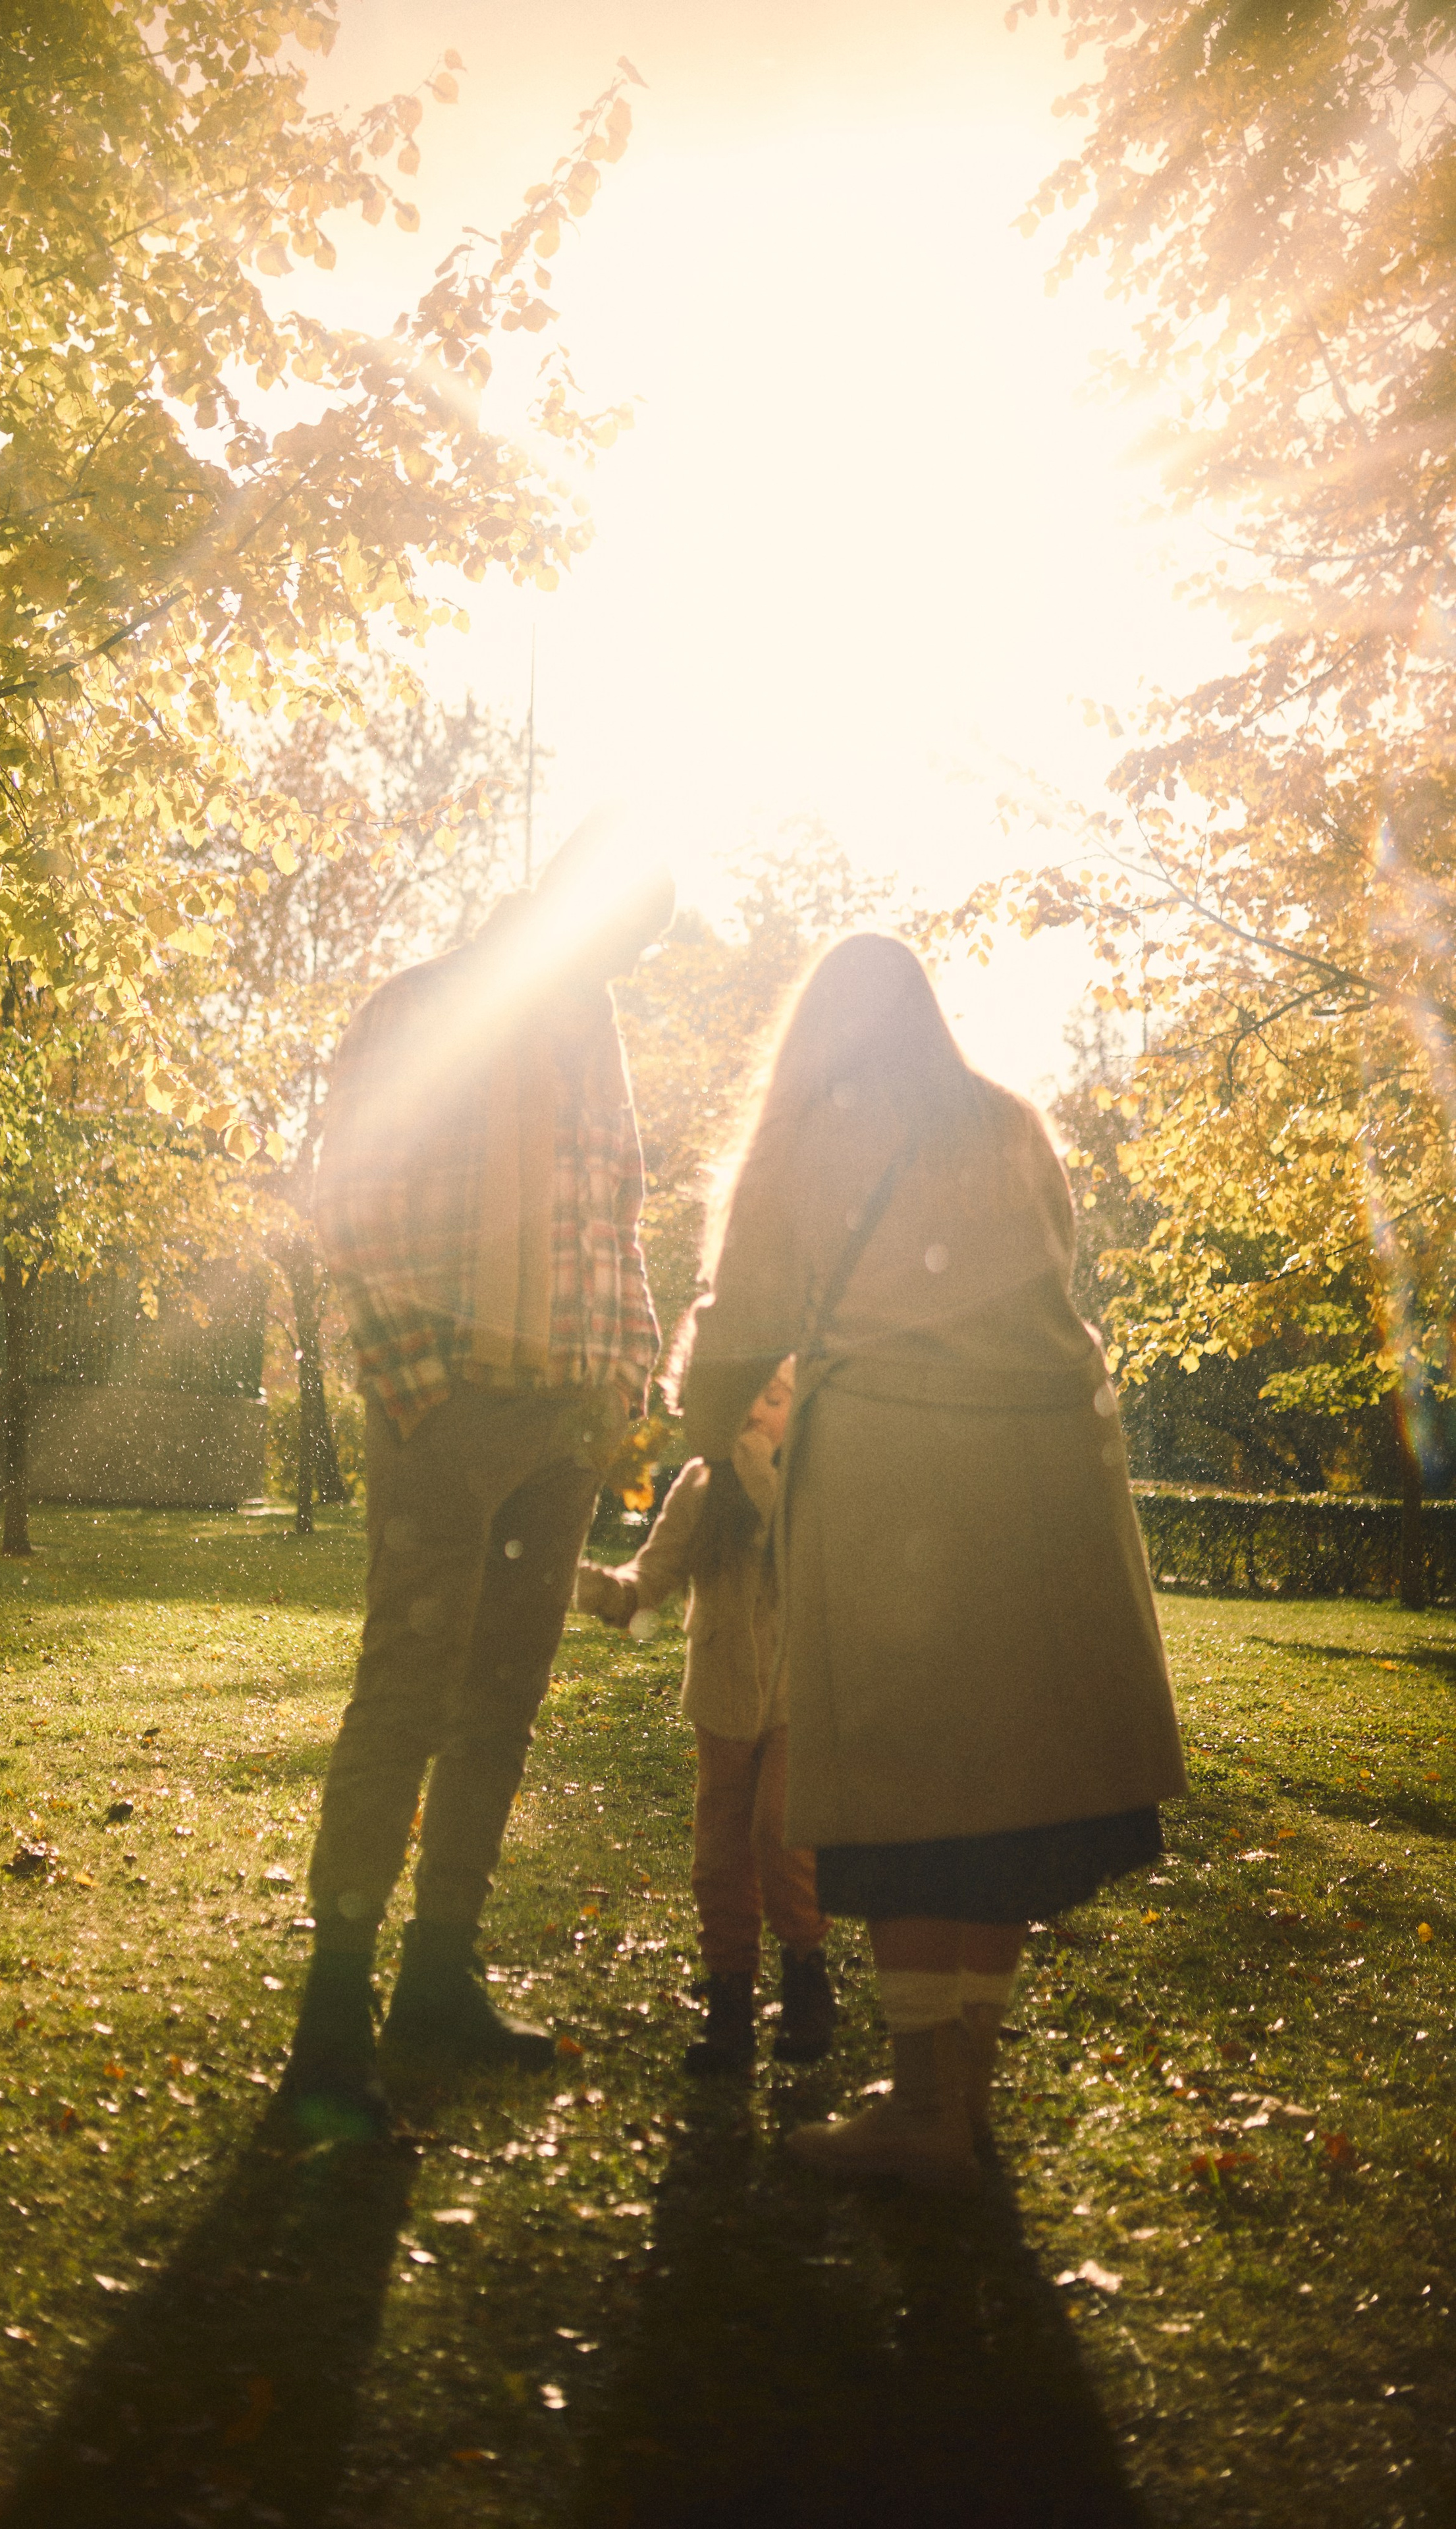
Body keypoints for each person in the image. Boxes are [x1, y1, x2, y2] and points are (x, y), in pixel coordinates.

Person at [674, 935, 1186, 2190]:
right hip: (1044, 1480)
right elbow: (1054, 1267)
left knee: (907, 1795)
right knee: (999, 1791)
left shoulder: (799, 1138)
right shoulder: (1008, 1123)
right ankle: (963, 2090)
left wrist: (707, 1428)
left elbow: (737, 1331)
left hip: (895, 1488)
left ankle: (920, 2103)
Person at [283, 815, 674, 2138]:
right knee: (403, 1688)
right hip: (445, 1411)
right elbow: (348, 1201)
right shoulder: (425, 1009)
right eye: (612, 934)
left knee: (499, 1699)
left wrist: (626, 1381)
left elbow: (611, 1215)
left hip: (561, 1423)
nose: (619, 963)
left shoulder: (593, 1036)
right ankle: (333, 2012)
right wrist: (421, 1388)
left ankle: (437, 1978)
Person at [575, 1358, 836, 2075]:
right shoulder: (698, 1484)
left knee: (780, 1833)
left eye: (776, 1399)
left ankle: (807, 1972)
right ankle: (729, 1994)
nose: (758, 1413)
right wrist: (600, 1591)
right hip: (720, 1698)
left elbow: (817, 1564)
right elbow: (650, 1579)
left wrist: (758, 1473)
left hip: (794, 1699)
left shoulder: (815, 1480)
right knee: (720, 1848)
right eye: (746, 1398)